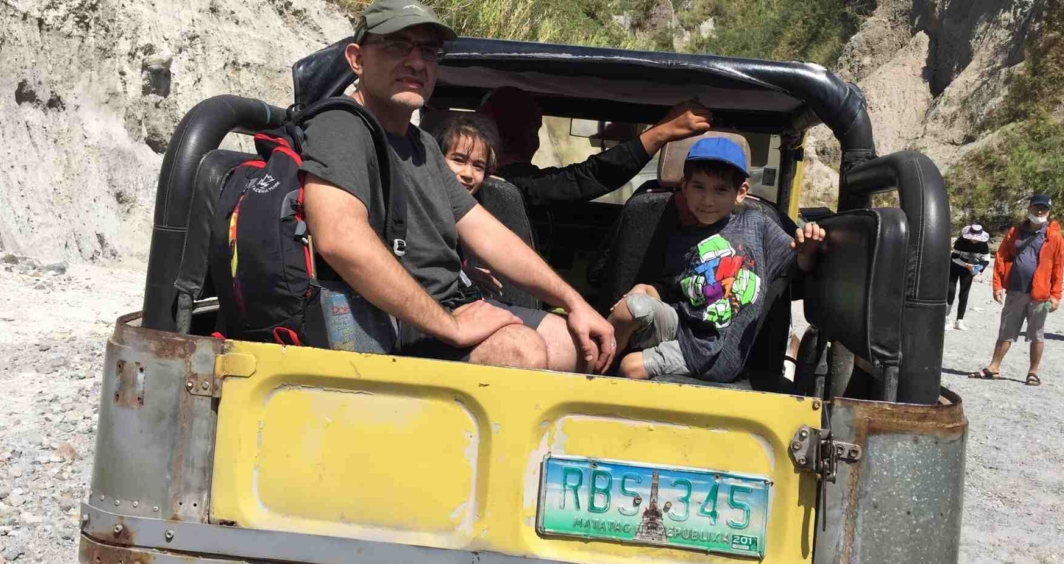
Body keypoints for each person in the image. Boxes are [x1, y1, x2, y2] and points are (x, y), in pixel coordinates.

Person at [299, 0, 615, 373]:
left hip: (450, 304)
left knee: (580, 346)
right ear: (357, 59)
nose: (416, 62)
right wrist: (450, 325)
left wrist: (573, 302)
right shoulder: (341, 125)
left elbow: (486, 233)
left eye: (428, 51)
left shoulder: (423, 145)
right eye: (397, 46)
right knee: (521, 351)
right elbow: (339, 238)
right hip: (387, 318)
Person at [606, 137, 824, 381]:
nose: (707, 200)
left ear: (740, 193)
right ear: (685, 186)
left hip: (716, 354)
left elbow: (798, 265)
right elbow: (675, 290)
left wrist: (808, 249)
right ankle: (594, 373)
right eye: (699, 187)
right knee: (629, 309)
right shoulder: (680, 238)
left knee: (631, 367)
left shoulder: (758, 226)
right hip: (685, 328)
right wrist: (644, 289)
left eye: (720, 190)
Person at [478, 87, 713, 212]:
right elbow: (588, 177)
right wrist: (661, 132)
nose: (535, 141)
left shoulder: (463, 185)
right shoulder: (511, 185)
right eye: (532, 130)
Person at [970, 194, 1064, 387]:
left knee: (1037, 334)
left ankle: (1033, 372)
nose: (1040, 211)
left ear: (1049, 212)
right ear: (1029, 209)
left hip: (1041, 295)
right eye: (1036, 207)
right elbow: (1001, 257)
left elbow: (1059, 267)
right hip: (1015, 290)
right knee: (1006, 330)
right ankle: (994, 367)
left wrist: (1056, 296)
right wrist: (997, 285)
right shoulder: (1015, 232)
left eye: (1044, 209)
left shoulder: (1054, 236)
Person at [945, 223, 991, 331]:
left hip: (969, 271)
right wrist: (966, 265)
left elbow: (986, 259)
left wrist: (978, 267)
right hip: (955, 267)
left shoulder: (983, 245)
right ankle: (946, 319)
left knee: (964, 294)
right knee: (950, 292)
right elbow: (954, 257)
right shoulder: (961, 242)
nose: (974, 240)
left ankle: (959, 321)